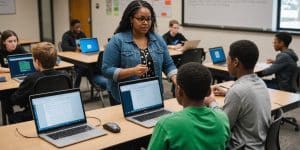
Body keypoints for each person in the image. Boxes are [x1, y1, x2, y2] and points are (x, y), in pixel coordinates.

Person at [102, 0, 177, 105]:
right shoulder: (117, 40)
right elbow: (106, 70)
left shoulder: (158, 40)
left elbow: (168, 65)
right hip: (125, 97)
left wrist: (176, 80)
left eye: (148, 19)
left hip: (153, 94)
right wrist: (132, 71)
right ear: (131, 19)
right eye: (141, 19)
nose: (145, 23)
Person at [204, 40, 271, 149]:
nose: (227, 62)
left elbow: (222, 125)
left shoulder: (237, 91)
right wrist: (228, 93)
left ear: (235, 62)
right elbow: (246, 96)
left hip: (241, 147)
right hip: (259, 143)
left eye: (228, 59)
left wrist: (211, 102)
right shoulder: (260, 83)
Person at [148, 62, 230, 150]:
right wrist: (212, 102)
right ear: (209, 92)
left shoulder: (166, 124)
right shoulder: (222, 118)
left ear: (179, 91)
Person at [9, 42, 69, 123]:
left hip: (36, 116)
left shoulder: (32, 78)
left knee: (13, 116)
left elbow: (16, 100)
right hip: (59, 113)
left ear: (37, 62)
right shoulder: (65, 75)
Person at [61, 19, 90, 88]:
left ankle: (95, 83)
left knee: (90, 66)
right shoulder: (66, 35)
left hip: (81, 57)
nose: (79, 29)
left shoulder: (82, 34)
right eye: (77, 27)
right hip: (71, 59)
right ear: (72, 27)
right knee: (82, 67)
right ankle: (76, 87)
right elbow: (65, 47)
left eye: (80, 27)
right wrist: (75, 49)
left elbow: (86, 43)